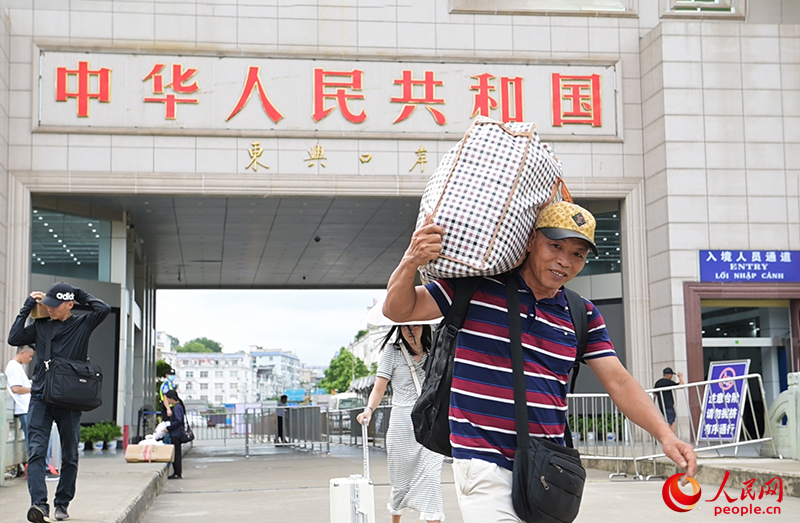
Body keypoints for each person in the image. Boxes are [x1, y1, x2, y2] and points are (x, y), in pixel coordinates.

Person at [382, 201, 698, 522]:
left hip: (546, 468)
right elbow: (398, 310)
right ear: (531, 240)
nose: (564, 261)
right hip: (482, 461)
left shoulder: (583, 314)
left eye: (577, 254)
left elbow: (619, 381)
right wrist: (411, 261)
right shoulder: (476, 286)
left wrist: (666, 435)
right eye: (555, 246)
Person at [8, 282, 111, 523]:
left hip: (69, 399)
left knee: (70, 455)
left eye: (55, 305)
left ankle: (62, 503)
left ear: (70, 304)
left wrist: (77, 292)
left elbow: (103, 308)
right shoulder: (41, 326)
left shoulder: (82, 324)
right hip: (40, 398)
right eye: (48, 304)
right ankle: (39, 505)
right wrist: (27, 306)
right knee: (36, 452)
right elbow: (14, 338)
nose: (50, 308)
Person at [357, 324, 445, 523]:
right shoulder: (392, 352)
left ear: (424, 326)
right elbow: (379, 388)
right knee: (400, 485)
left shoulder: (434, 351)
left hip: (428, 425)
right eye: (405, 327)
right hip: (401, 426)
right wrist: (369, 409)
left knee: (431, 481)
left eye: (415, 325)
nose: (410, 331)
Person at [5, 345, 34, 472]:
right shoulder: (14, 366)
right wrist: (33, 390)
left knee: (32, 438)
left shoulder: (17, 366)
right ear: (22, 353)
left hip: (25, 408)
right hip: (23, 408)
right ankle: (36, 469)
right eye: (30, 356)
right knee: (32, 439)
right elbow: (16, 388)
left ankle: (37, 468)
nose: (30, 359)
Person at [654, 367, 685, 433]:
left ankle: (671, 435)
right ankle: (666, 434)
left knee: (670, 421)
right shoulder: (669, 382)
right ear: (669, 375)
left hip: (662, 406)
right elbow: (681, 385)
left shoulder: (658, 383)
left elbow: (654, 394)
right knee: (670, 422)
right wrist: (680, 377)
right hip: (668, 405)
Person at [164, 389, 187, 479]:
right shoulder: (179, 406)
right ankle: (177, 472)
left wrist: (169, 428)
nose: (168, 402)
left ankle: (177, 473)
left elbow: (178, 420)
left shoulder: (177, 407)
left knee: (176, 454)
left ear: (172, 398)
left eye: (168, 399)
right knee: (177, 453)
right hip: (177, 433)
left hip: (176, 434)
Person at [159, 369, 178, 443]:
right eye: (170, 375)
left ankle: (170, 442)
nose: (172, 376)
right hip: (167, 408)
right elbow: (165, 397)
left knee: (172, 426)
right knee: (168, 426)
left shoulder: (172, 384)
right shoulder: (166, 385)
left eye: (173, 375)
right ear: (166, 375)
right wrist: (168, 409)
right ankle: (166, 443)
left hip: (172, 407)